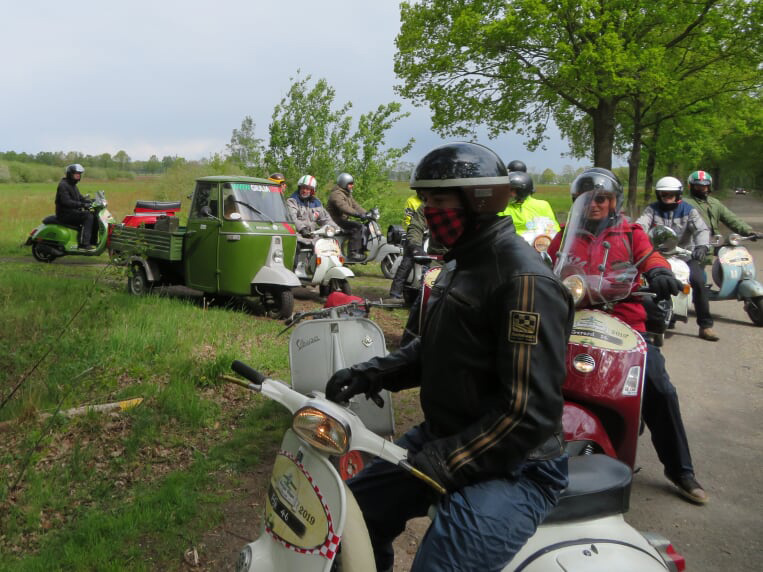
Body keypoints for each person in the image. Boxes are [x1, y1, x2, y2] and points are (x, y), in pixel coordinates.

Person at [325, 142, 574, 572]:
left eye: (438, 200)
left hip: (517, 466)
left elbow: (527, 411)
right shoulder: (461, 263)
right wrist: (371, 373)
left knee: (438, 566)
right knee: (353, 518)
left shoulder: (523, 280)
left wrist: (448, 459)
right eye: (424, 200)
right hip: (447, 435)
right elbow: (439, 347)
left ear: (478, 201)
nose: (427, 211)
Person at [548, 167, 709, 505]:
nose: (594, 205)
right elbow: (543, 267)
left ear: (614, 202)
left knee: (658, 384)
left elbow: (651, 258)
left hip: (623, 324)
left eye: (601, 199)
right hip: (572, 322)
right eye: (586, 199)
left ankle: (680, 469)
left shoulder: (631, 233)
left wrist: (661, 272)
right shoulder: (563, 236)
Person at [636, 176, 716, 340]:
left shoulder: (688, 210)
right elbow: (641, 226)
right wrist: (634, 237)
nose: (667, 196)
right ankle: (643, 322)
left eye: (671, 193)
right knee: (642, 282)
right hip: (657, 255)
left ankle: (705, 325)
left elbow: (701, 230)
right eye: (663, 193)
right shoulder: (651, 210)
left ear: (679, 194)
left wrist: (701, 246)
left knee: (698, 281)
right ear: (658, 194)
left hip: (684, 254)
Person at [683, 170, 760, 239]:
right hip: (693, 245)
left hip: (715, 242)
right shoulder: (684, 203)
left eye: (704, 186)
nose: (702, 189)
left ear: (709, 186)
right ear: (691, 186)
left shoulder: (714, 203)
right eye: (698, 186)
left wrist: (748, 231)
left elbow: (731, 219)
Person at [498, 171, 561, 236]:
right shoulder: (502, 207)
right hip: (511, 243)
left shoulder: (542, 205)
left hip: (538, 243)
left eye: (511, 190)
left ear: (522, 191)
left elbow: (553, 227)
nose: (508, 193)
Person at [327, 173, 369, 261]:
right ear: (344, 183)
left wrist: (367, 213)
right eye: (350, 184)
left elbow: (355, 205)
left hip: (341, 221)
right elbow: (344, 207)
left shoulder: (347, 194)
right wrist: (357, 214)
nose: (352, 186)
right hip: (335, 221)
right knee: (356, 227)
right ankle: (353, 253)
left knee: (363, 226)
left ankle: (360, 250)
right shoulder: (336, 194)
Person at [388, 192, 423, 299]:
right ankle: (395, 293)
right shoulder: (411, 201)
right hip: (414, 234)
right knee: (407, 261)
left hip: (431, 234)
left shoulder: (434, 200)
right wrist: (415, 230)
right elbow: (408, 220)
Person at [285, 175, 337, 244]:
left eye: (307, 189)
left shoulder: (316, 203)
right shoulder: (292, 201)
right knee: (296, 246)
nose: (304, 190)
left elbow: (326, 220)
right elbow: (292, 218)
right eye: (302, 188)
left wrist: (337, 228)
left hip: (313, 238)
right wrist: (302, 229)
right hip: (298, 237)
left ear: (312, 191)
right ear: (299, 188)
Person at [55, 163, 95, 250]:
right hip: (65, 214)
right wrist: (82, 205)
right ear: (70, 174)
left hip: (72, 212)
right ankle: (84, 244)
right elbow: (66, 201)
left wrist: (92, 201)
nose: (78, 176)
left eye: (79, 174)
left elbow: (80, 198)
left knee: (93, 215)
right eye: (76, 174)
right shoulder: (63, 185)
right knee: (88, 216)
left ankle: (92, 241)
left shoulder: (73, 185)